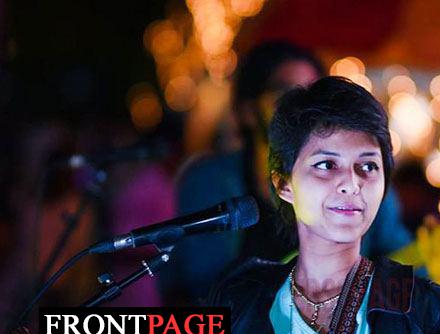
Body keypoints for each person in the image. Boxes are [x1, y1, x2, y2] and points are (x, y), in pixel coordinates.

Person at [107, 77, 440, 334]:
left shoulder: (426, 312)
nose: (351, 183)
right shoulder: (241, 295)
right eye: (326, 165)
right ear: (283, 184)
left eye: (368, 166)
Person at [164, 42, 412, 304]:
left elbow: (403, 262)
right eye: (286, 95)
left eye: (316, 97)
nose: (306, 110)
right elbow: (204, 287)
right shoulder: (210, 180)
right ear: (248, 111)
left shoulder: (364, 181)